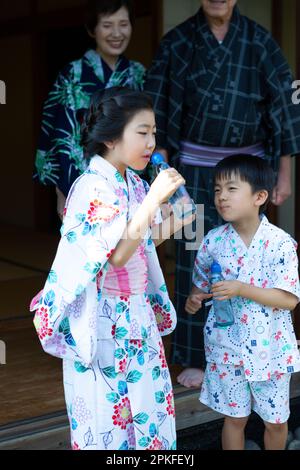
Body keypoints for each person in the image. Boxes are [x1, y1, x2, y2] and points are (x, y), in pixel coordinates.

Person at [144, 0, 300, 389]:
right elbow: (157, 107)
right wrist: (161, 173)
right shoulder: (178, 42)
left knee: (248, 259)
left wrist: (284, 172)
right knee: (195, 257)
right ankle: (196, 356)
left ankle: (253, 353)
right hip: (193, 172)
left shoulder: (260, 42)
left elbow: (284, 105)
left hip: (247, 175)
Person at [30, 87, 194, 450]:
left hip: (136, 314)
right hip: (103, 320)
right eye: (142, 132)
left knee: (148, 416)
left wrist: (176, 221)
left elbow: (142, 242)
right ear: (109, 137)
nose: (152, 142)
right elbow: (117, 255)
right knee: (109, 424)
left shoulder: (132, 182)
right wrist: (153, 199)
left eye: (154, 132)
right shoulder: (91, 187)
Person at [185, 154, 300, 450]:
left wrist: (241, 288)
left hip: (271, 350)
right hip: (227, 347)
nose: (221, 197)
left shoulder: (280, 243)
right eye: (217, 189)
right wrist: (196, 298)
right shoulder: (213, 241)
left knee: (276, 422)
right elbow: (201, 285)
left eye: (231, 189)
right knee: (233, 418)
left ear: (260, 196)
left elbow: (288, 300)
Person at [35, 0, 145, 220]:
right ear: (91, 29)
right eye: (107, 25)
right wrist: (62, 189)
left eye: (123, 24)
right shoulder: (72, 74)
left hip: (129, 183)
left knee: (131, 253)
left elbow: (147, 130)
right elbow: (61, 135)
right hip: (81, 183)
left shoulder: (138, 74)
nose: (116, 33)